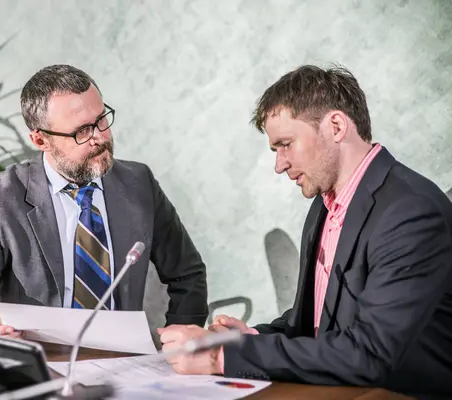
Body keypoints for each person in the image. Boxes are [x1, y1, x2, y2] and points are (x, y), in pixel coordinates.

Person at [158, 65, 452, 398]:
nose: (279, 164)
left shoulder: (410, 211)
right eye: (275, 150)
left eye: (286, 144)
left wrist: (221, 356)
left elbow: (369, 354)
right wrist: (249, 339)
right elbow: (315, 324)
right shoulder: (324, 203)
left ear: (336, 126)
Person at [0, 64, 208, 335]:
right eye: (81, 131)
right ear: (40, 140)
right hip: (40, 358)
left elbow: (187, 274)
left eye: (101, 119)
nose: (100, 138)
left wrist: (183, 340)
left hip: (124, 357)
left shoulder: (139, 184)